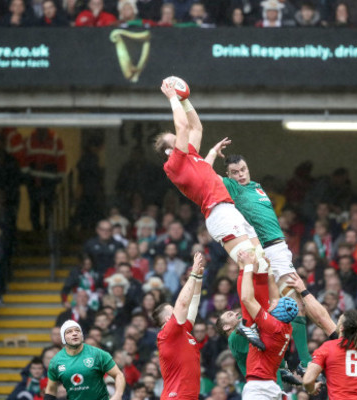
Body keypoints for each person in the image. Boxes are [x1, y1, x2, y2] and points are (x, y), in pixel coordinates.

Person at [153, 78, 263, 300]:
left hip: (229, 209)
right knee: (248, 260)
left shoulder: (190, 156)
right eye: (175, 140)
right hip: (218, 213)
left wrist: (185, 101)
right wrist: (173, 98)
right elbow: (183, 126)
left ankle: (263, 308)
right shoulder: (173, 164)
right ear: (168, 152)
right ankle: (250, 315)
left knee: (261, 263)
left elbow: (196, 127)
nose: (180, 138)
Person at [204, 145, 312, 367]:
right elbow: (204, 173)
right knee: (296, 305)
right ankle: (305, 360)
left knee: (273, 310)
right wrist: (214, 151)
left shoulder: (258, 187)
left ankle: (281, 365)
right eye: (235, 172)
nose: (241, 174)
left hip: (275, 248)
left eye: (243, 169)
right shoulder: (231, 187)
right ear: (229, 175)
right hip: (267, 248)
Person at [237, 250, 297, 399]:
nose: (272, 304)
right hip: (270, 385)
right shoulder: (285, 326)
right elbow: (275, 298)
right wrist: (269, 271)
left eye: (275, 306)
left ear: (277, 314)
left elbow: (246, 298)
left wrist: (248, 267)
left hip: (259, 389)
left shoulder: (273, 326)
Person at [153, 252, 205, 399]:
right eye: (173, 311)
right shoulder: (168, 333)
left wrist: (199, 278)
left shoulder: (182, 331)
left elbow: (193, 305)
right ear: (168, 319)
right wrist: (193, 273)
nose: (178, 313)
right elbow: (182, 304)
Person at [303, 309, 357, 399]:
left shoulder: (328, 348)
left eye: (339, 321)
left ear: (342, 328)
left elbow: (308, 380)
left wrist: (312, 389)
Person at [44, 320, 125, 400]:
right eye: (69, 332)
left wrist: (118, 395)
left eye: (77, 330)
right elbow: (51, 390)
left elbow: (118, 375)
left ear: (81, 335)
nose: (74, 333)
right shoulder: (56, 361)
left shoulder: (98, 354)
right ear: (63, 338)